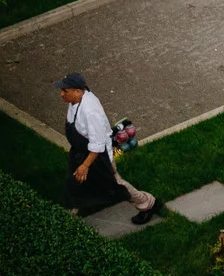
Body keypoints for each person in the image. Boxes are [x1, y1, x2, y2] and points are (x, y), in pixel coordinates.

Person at [56, 72, 156, 222]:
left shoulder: (90, 111)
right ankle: (71, 210)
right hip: (81, 152)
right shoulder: (77, 99)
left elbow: (97, 145)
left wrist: (85, 165)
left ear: (77, 91)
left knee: (115, 185)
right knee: (74, 180)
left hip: (97, 157)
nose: (61, 94)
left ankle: (147, 203)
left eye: (65, 91)